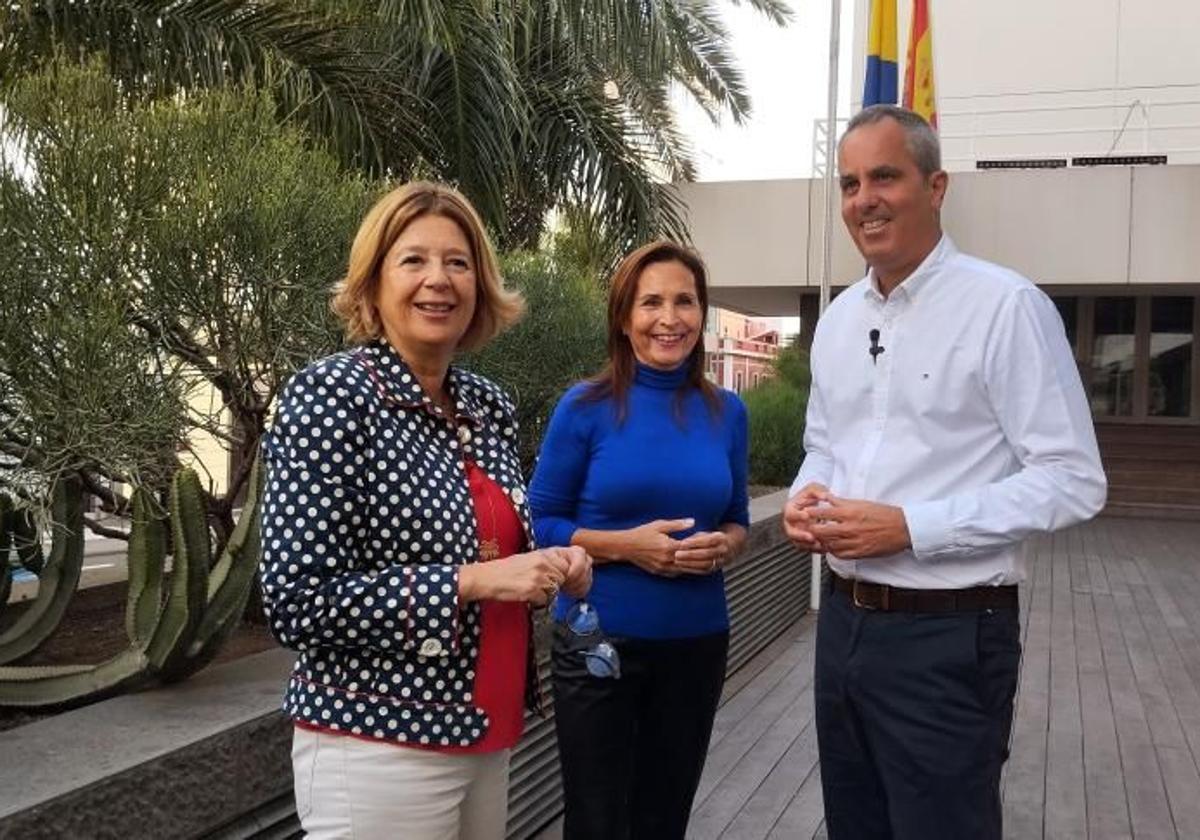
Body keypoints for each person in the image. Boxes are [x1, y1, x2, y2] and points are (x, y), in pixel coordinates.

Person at [783, 104, 1107, 840]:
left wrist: (912, 528)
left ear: (937, 186)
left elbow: (1073, 478)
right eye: (849, 182)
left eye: (885, 176)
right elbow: (825, 443)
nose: (863, 199)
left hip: (950, 636)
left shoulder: (1005, 307)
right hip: (841, 629)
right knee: (855, 826)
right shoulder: (837, 323)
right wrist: (806, 495)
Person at [259, 181, 592, 840]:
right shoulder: (330, 397)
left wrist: (547, 568)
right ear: (374, 281)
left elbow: (491, 548)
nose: (438, 280)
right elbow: (295, 599)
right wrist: (470, 582)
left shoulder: (486, 404)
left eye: (458, 262)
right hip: (380, 740)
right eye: (413, 260)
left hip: (487, 728)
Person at [529, 241, 750, 840]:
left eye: (684, 301)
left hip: (698, 641)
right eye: (651, 302)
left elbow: (736, 519)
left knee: (663, 818)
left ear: (702, 314)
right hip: (599, 641)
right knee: (598, 822)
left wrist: (724, 546)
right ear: (625, 318)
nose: (668, 318)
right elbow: (542, 521)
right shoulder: (585, 408)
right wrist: (627, 546)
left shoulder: (727, 412)